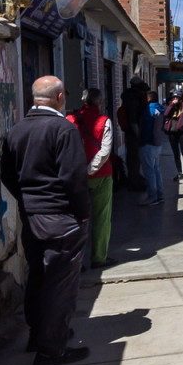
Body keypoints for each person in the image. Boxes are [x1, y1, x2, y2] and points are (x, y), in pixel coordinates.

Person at [1, 77, 91, 365]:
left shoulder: (17, 130)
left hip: (33, 216)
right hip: (61, 219)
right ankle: (52, 349)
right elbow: (73, 179)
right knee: (60, 284)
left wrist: (27, 201)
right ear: (61, 96)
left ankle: (39, 335)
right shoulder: (63, 129)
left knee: (38, 277)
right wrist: (83, 213)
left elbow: (6, 174)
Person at [68, 88, 114, 269]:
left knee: (75, 218)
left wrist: (81, 170)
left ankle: (76, 260)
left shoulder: (69, 120)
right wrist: (91, 169)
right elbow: (105, 150)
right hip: (101, 175)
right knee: (102, 217)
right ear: (100, 102)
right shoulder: (105, 121)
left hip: (75, 176)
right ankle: (99, 257)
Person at [119, 79, 148, 191]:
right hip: (133, 132)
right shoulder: (132, 98)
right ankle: (134, 181)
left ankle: (135, 177)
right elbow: (133, 118)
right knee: (134, 157)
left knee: (134, 157)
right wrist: (138, 134)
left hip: (133, 130)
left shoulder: (133, 96)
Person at [138, 90, 165, 205]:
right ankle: (160, 195)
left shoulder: (148, 110)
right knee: (157, 170)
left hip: (148, 143)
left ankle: (152, 197)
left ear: (148, 98)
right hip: (158, 143)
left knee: (149, 172)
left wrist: (142, 141)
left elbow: (146, 128)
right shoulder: (159, 108)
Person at [163, 91, 183, 178]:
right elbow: (165, 114)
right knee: (176, 153)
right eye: (173, 98)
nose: (175, 99)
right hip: (172, 131)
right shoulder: (171, 106)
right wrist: (171, 105)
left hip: (182, 131)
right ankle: (179, 172)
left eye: (176, 98)